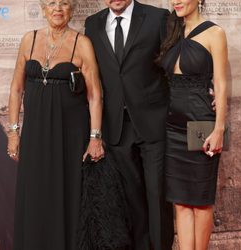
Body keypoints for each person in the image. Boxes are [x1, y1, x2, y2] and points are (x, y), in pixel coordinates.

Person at [7, 0, 104, 249]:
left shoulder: (81, 43)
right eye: (52, 3)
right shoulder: (29, 39)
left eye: (64, 3)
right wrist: (14, 132)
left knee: (67, 195)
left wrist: (95, 136)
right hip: (35, 134)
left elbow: (94, 94)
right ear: (43, 8)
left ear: (71, 9)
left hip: (70, 135)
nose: (58, 8)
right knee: (35, 194)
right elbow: (17, 89)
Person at [85, 1, 174, 250]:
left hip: (153, 122)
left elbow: (174, 62)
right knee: (131, 198)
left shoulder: (157, 18)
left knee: (157, 197)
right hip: (116, 126)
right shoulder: (92, 25)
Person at [158, 0, 228, 249]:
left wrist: (219, 128)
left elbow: (220, 83)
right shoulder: (171, 31)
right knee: (180, 201)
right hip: (172, 125)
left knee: (200, 201)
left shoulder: (214, 33)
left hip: (202, 124)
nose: (175, 1)